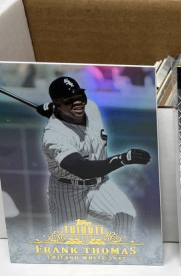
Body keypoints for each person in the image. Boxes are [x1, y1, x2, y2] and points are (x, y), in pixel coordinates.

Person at [41, 76, 151, 237]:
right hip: (67, 191)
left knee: (125, 215)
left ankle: (121, 251)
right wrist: (123, 159)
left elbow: (66, 107)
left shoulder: (90, 107)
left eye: (80, 96)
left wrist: (53, 108)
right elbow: (82, 169)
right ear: (58, 103)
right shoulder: (54, 135)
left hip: (100, 184)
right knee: (67, 241)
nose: (78, 103)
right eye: (70, 100)